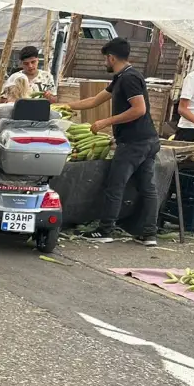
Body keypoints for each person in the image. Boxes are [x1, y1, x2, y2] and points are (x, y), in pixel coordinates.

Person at [56, 38, 159, 245]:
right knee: (147, 187)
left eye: (106, 58)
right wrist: (63, 105)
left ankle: (106, 230)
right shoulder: (121, 77)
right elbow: (94, 101)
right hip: (147, 140)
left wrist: (106, 122)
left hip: (134, 143)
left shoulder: (129, 78)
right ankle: (149, 234)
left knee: (115, 186)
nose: (106, 62)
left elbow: (139, 109)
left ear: (111, 57)